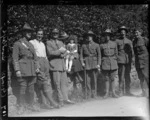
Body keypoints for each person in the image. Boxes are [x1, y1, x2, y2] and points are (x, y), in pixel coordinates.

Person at [12, 23, 40, 114]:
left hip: (32, 69)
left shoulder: (31, 45)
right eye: (27, 32)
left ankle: (31, 105)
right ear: (23, 32)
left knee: (31, 88)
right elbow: (15, 58)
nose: (29, 33)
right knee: (22, 88)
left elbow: (35, 58)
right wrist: (17, 70)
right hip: (23, 69)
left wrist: (37, 67)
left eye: (30, 32)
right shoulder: (17, 44)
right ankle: (21, 106)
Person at [30, 28, 60, 109]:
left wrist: (48, 65)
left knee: (44, 82)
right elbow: (32, 55)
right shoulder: (32, 42)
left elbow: (45, 56)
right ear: (35, 34)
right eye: (38, 34)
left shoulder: (43, 44)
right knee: (43, 81)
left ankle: (44, 103)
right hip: (38, 61)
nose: (40, 36)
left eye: (41, 34)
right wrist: (36, 65)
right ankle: (51, 102)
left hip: (45, 62)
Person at [46, 28, 74, 107]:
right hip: (54, 65)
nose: (55, 34)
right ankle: (60, 100)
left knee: (64, 83)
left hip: (62, 65)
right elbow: (50, 53)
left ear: (58, 34)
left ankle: (66, 99)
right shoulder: (48, 42)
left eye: (57, 33)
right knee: (57, 84)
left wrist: (62, 54)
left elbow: (65, 52)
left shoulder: (61, 42)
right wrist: (59, 52)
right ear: (51, 34)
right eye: (54, 33)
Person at [80, 30, 101, 99]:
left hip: (94, 63)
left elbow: (99, 55)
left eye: (90, 36)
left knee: (94, 79)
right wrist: (82, 62)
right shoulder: (83, 45)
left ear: (92, 37)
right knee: (87, 80)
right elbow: (81, 55)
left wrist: (98, 64)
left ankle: (94, 93)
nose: (89, 37)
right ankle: (88, 94)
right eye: (88, 36)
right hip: (87, 63)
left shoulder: (97, 45)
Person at [100, 29, 119, 98]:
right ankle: (107, 93)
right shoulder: (101, 45)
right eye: (105, 35)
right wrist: (101, 62)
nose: (107, 36)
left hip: (113, 62)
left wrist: (115, 60)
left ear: (110, 36)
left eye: (108, 35)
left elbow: (116, 53)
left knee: (113, 78)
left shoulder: (114, 44)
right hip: (105, 62)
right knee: (106, 78)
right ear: (104, 36)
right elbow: (100, 55)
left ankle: (113, 92)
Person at [116, 26, 135, 96]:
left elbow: (132, 51)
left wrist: (132, 59)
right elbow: (115, 51)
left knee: (127, 76)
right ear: (120, 33)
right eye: (121, 31)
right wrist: (117, 59)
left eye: (124, 31)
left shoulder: (129, 41)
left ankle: (128, 91)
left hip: (128, 60)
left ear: (126, 33)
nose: (122, 33)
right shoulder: (117, 41)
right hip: (121, 60)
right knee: (121, 76)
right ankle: (120, 91)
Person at [132, 28, 149, 97]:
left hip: (145, 61)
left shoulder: (145, 40)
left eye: (137, 33)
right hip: (138, 61)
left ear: (141, 33)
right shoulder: (134, 41)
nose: (136, 34)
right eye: (135, 33)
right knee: (140, 77)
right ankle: (144, 92)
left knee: (146, 76)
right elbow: (135, 52)